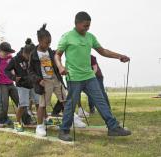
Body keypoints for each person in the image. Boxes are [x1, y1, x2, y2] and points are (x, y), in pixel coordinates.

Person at [55, 11, 131, 141]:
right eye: (85, 25)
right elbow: (57, 55)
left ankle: (113, 127)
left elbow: (103, 51)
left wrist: (119, 56)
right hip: (74, 77)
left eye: (89, 26)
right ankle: (64, 131)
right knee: (71, 105)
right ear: (77, 23)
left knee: (100, 100)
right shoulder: (67, 37)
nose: (87, 28)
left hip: (89, 76)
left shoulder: (90, 37)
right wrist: (61, 67)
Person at [29, 24, 66, 137]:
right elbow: (30, 72)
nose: (48, 45)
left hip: (55, 79)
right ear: (39, 41)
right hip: (44, 81)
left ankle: (71, 118)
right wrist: (38, 80)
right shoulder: (34, 54)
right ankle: (40, 126)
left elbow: (57, 62)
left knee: (65, 100)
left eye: (50, 42)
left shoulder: (50, 52)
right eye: (46, 42)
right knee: (43, 104)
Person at [4, 38, 39, 132]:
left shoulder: (33, 57)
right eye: (29, 56)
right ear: (25, 53)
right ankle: (18, 123)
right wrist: (13, 77)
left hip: (33, 84)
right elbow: (6, 70)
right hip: (22, 85)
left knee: (39, 103)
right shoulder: (15, 59)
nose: (31, 58)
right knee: (23, 105)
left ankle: (41, 123)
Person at [0, 42, 18, 127]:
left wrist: (14, 74)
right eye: (6, 52)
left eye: (8, 52)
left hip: (11, 83)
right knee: (4, 103)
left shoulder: (10, 57)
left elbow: (12, 68)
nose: (7, 54)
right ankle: (0, 121)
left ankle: (26, 119)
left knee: (19, 101)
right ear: (1, 51)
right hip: (1, 84)